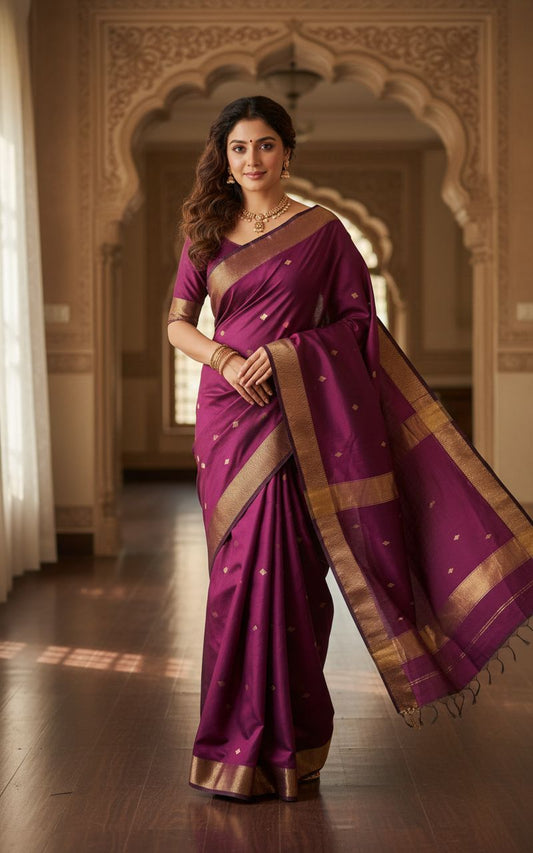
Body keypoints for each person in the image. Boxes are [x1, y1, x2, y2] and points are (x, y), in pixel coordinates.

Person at [167, 96, 533, 802]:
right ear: (224, 155)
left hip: (300, 418)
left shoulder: (323, 232)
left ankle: (289, 745)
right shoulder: (206, 231)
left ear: (287, 151)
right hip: (227, 419)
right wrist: (224, 359)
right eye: (239, 148)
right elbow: (177, 324)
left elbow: (358, 326)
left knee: (293, 580)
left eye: (265, 146)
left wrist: (279, 356)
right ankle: (228, 743)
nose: (252, 160)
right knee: (235, 581)